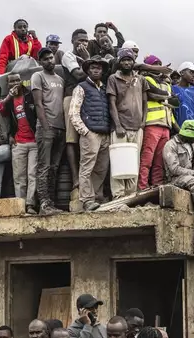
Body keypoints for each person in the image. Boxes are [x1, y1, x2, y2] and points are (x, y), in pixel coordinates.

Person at [69, 56, 111, 211]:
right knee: (87, 168)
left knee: (101, 168)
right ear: (88, 70)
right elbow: (73, 112)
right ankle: (87, 200)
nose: (96, 70)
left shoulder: (104, 88)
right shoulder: (81, 87)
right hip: (90, 133)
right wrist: (85, 132)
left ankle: (97, 197)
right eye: (93, 68)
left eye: (99, 68)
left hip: (104, 134)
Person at [31, 47, 66, 215]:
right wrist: (45, 126)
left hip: (61, 128)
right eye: (45, 59)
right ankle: (44, 204)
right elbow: (38, 104)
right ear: (40, 62)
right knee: (44, 166)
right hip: (46, 128)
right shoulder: (37, 76)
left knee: (54, 167)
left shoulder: (60, 78)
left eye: (51, 57)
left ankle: (52, 203)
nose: (49, 61)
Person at [106, 48, 145, 199]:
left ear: (133, 62)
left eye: (129, 60)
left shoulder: (140, 79)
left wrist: (142, 123)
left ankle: (131, 195)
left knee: (133, 162)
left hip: (137, 127)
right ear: (119, 62)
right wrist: (118, 125)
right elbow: (112, 103)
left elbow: (145, 101)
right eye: (123, 60)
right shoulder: (113, 79)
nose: (126, 62)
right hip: (120, 127)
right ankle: (118, 195)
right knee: (119, 161)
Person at [61, 29, 91, 212]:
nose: (83, 44)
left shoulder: (86, 56)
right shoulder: (69, 56)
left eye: (86, 41)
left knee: (86, 138)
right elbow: (80, 76)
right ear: (72, 41)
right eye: (80, 40)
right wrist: (86, 58)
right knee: (71, 139)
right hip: (71, 97)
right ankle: (75, 179)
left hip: (87, 98)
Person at [138, 54, 177, 190]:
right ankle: (142, 186)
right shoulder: (145, 78)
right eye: (155, 64)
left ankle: (157, 184)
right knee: (147, 157)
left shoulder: (166, 83)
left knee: (160, 159)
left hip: (166, 125)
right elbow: (152, 94)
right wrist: (167, 98)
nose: (160, 66)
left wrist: (164, 97)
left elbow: (175, 102)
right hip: (152, 123)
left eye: (160, 63)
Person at [5, 72, 38, 214]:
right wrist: (9, 96)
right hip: (19, 142)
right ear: (8, 84)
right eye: (12, 81)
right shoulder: (8, 101)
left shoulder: (29, 95)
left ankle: (30, 204)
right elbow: (1, 111)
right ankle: (21, 205)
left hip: (34, 141)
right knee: (19, 177)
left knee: (32, 174)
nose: (15, 83)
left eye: (17, 80)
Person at [172, 62, 194, 136]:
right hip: (177, 132)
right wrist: (179, 131)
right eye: (191, 72)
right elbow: (170, 113)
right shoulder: (172, 89)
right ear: (182, 73)